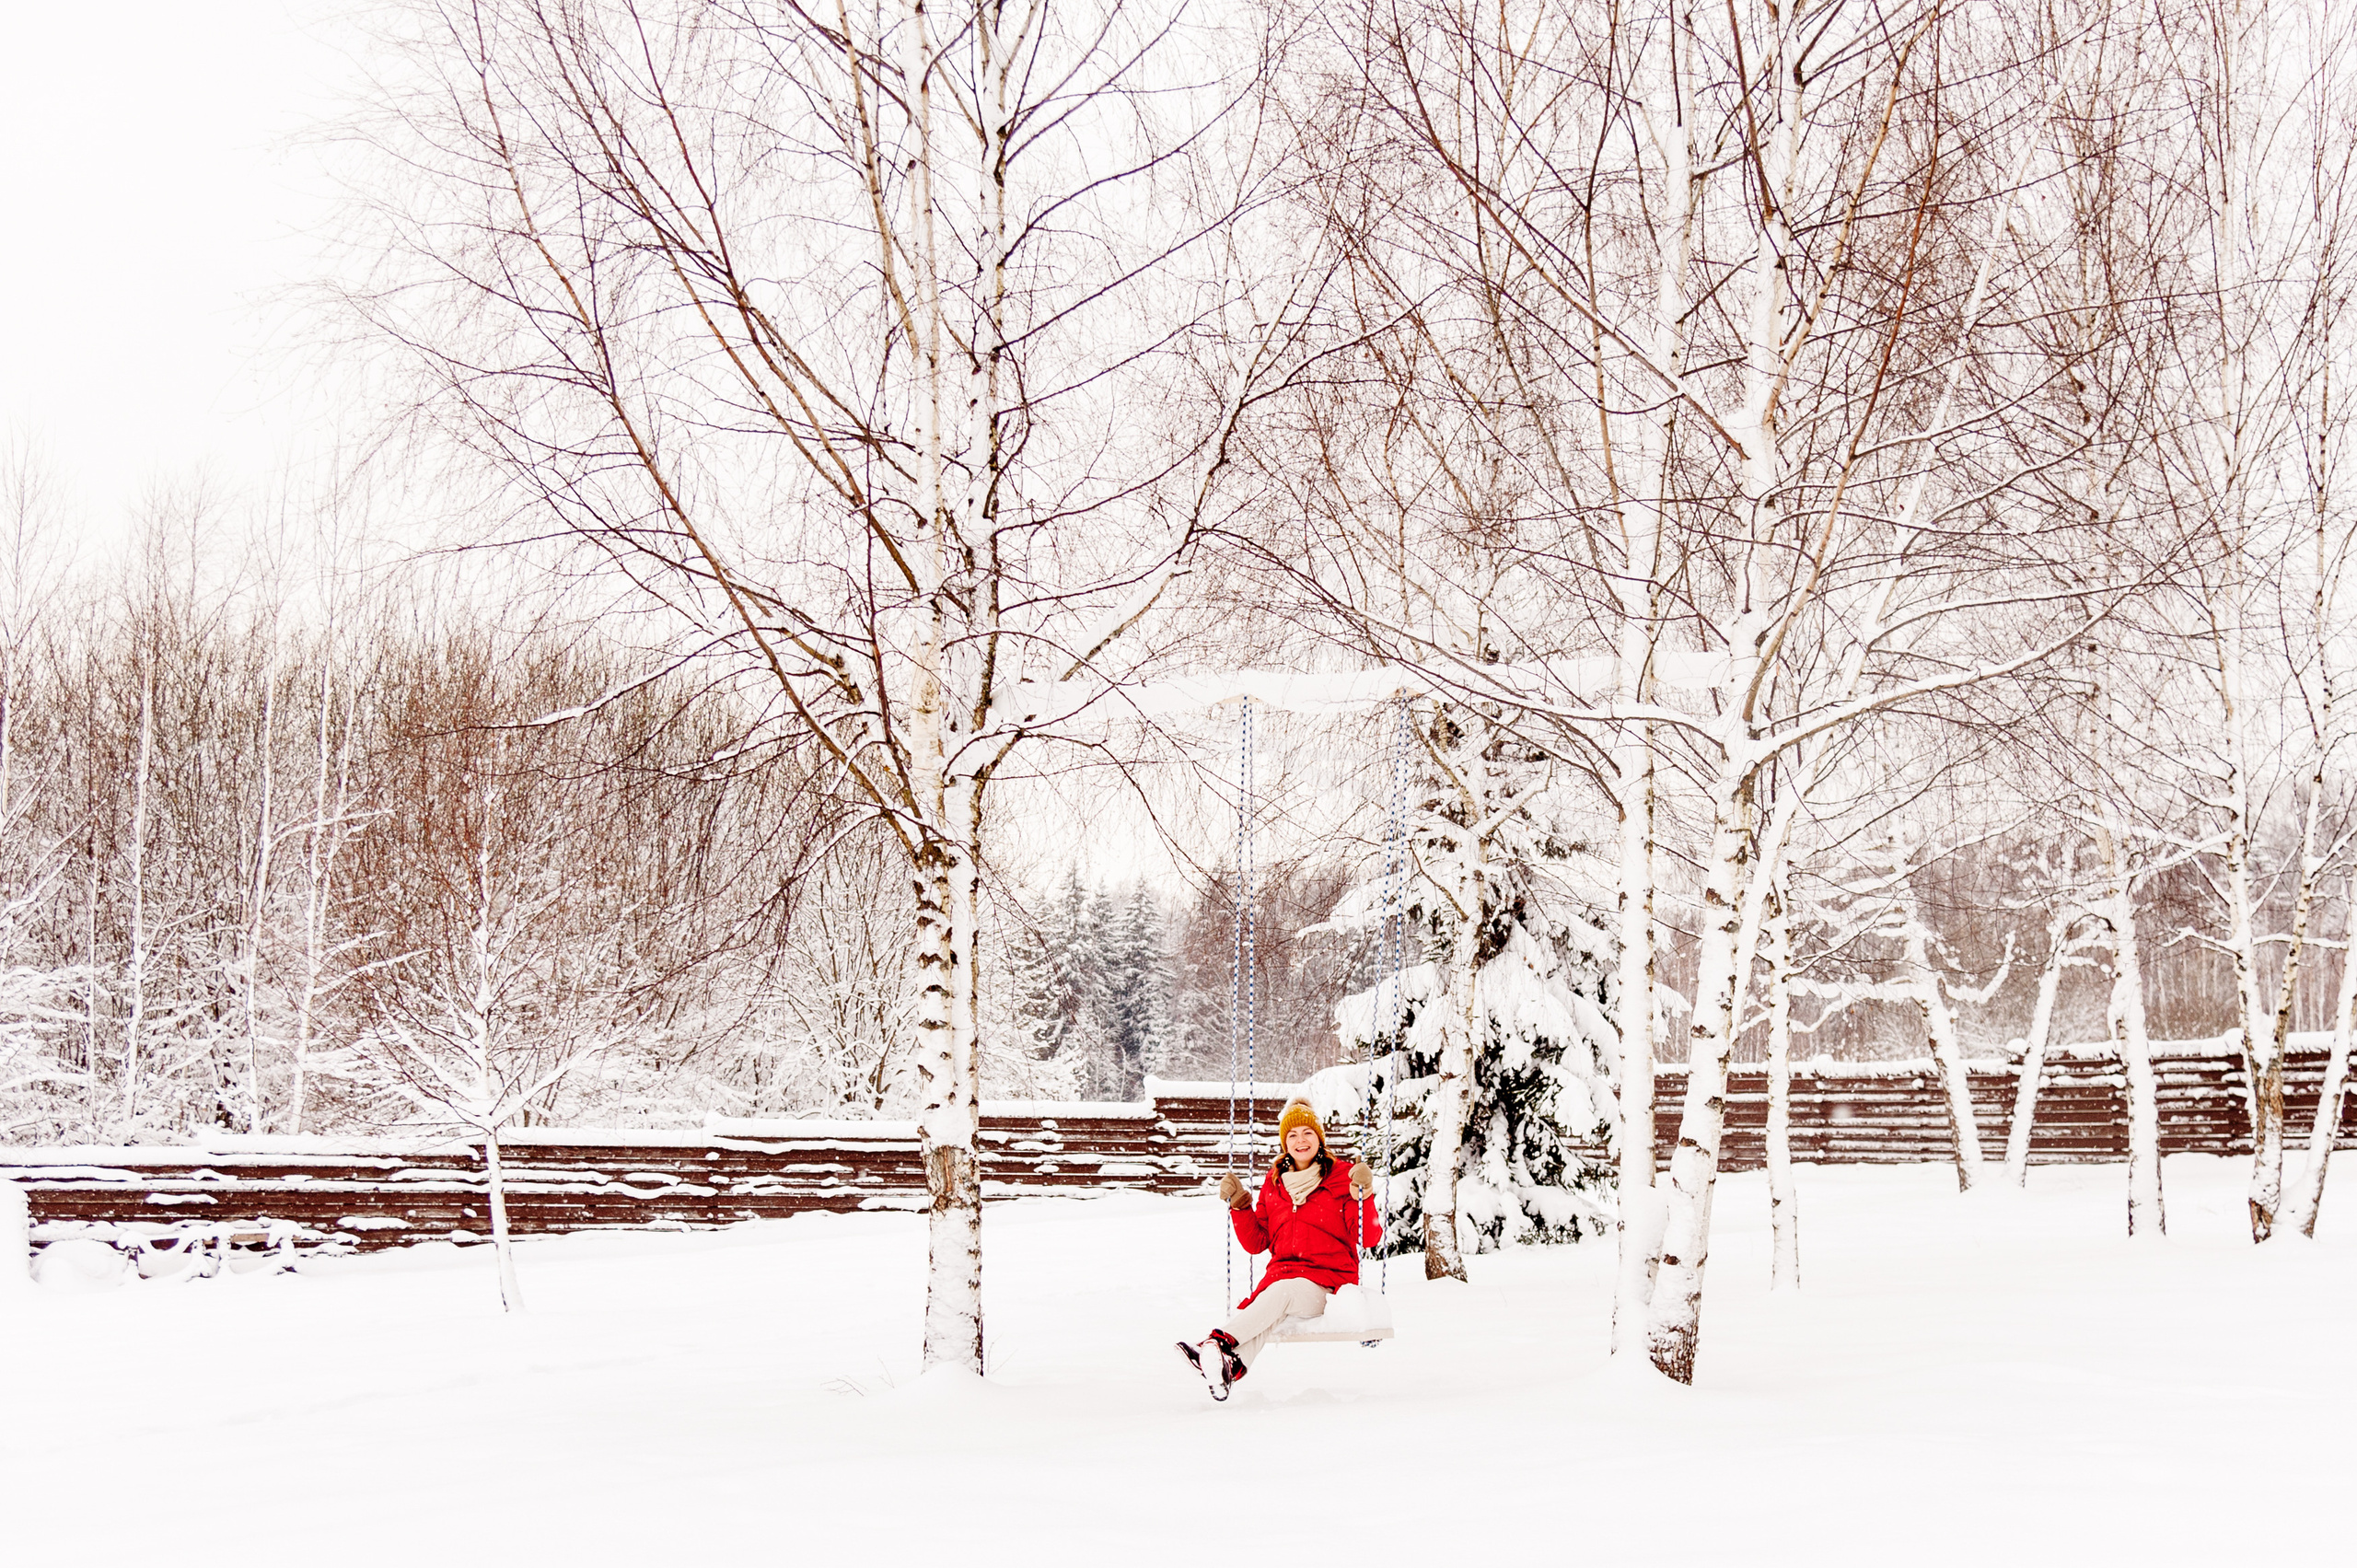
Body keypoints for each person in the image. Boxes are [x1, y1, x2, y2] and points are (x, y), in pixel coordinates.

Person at [1178, 1098, 1380, 1400]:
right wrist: (1240, 1207)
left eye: (1308, 1133)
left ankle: (1216, 1343)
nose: (1301, 1140)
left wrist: (1363, 1197)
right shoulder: (1274, 1183)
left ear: (1320, 1138)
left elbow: (1368, 1237)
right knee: (1275, 1299)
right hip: (1281, 1280)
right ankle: (1229, 1366)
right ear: (1285, 1143)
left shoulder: (1343, 1177)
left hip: (1329, 1284)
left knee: (1283, 1292)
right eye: (1293, 1135)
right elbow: (1257, 1242)